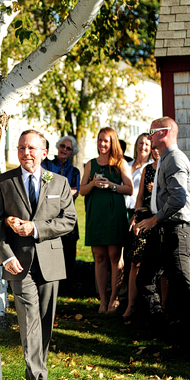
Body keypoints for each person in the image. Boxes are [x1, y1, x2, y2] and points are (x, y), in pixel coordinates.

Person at [0, 129, 77, 380]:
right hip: (18, 263)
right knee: (28, 319)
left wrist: (36, 228)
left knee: (46, 321)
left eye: (31, 148)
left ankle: (36, 372)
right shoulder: (3, 182)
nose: (25, 153)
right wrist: (6, 257)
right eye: (21, 148)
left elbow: (69, 220)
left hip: (50, 261)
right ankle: (38, 379)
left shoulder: (59, 182)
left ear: (44, 153)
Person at [129, 117, 190, 339]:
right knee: (145, 279)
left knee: (183, 288)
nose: (148, 137)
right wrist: (146, 216)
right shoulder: (164, 159)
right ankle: (163, 332)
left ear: (164, 133)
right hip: (162, 230)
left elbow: (178, 199)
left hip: (175, 231)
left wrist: (154, 220)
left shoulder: (174, 159)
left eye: (151, 132)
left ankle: (187, 341)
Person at [80, 127, 134, 314]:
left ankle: (114, 298)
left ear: (112, 143)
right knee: (99, 257)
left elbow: (129, 189)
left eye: (106, 141)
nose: (102, 144)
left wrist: (112, 186)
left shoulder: (120, 163)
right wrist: (93, 184)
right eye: (100, 140)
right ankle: (102, 300)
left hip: (114, 214)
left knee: (114, 257)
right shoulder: (90, 164)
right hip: (96, 214)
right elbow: (81, 191)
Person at [125, 139, 158, 319]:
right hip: (143, 217)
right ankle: (131, 305)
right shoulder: (147, 169)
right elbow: (139, 197)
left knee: (161, 267)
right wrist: (137, 216)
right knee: (135, 262)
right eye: (153, 148)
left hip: (161, 220)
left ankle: (162, 309)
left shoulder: (167, 168)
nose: (154, 151)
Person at [41, 135, 81, 278]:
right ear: (58, 147)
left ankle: (66, 284)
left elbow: (74, 193)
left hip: (67, 215)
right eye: (62, 146)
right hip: (48, 216)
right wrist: (65, 191)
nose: (64, 150)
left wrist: (54, 192)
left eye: (68, 148)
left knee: (68, 253)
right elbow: (43, 189)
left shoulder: (75, 172)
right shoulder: (46, 166)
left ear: (72, 152)